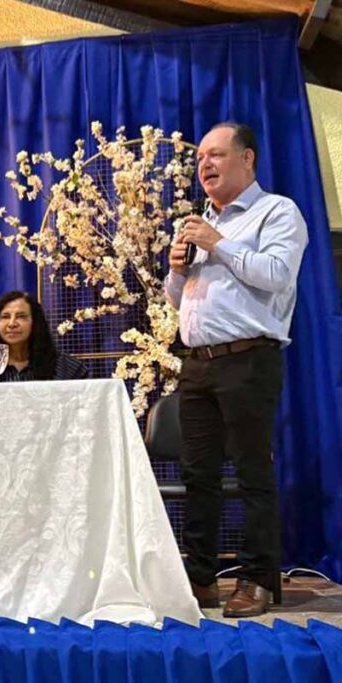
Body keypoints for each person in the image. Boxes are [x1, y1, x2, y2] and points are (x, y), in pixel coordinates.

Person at [165, 122, 308, 618]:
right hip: (197, 363)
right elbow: (177, 299)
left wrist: (218, 242)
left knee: (251, 471)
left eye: (216, 154)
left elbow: (276, 275)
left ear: (247, 159)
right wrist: (176, 270)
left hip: (249, 358)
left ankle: (258, 578)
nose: (204, 164)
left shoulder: (277, 212)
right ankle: (202, 578)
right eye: (200, 158)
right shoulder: (200, 222)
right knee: (198, 475)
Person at [0, 291, 87, 382]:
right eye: (5, 317)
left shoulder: (66, 368)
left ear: (35, 323)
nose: (12, 324)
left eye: (21, 317)